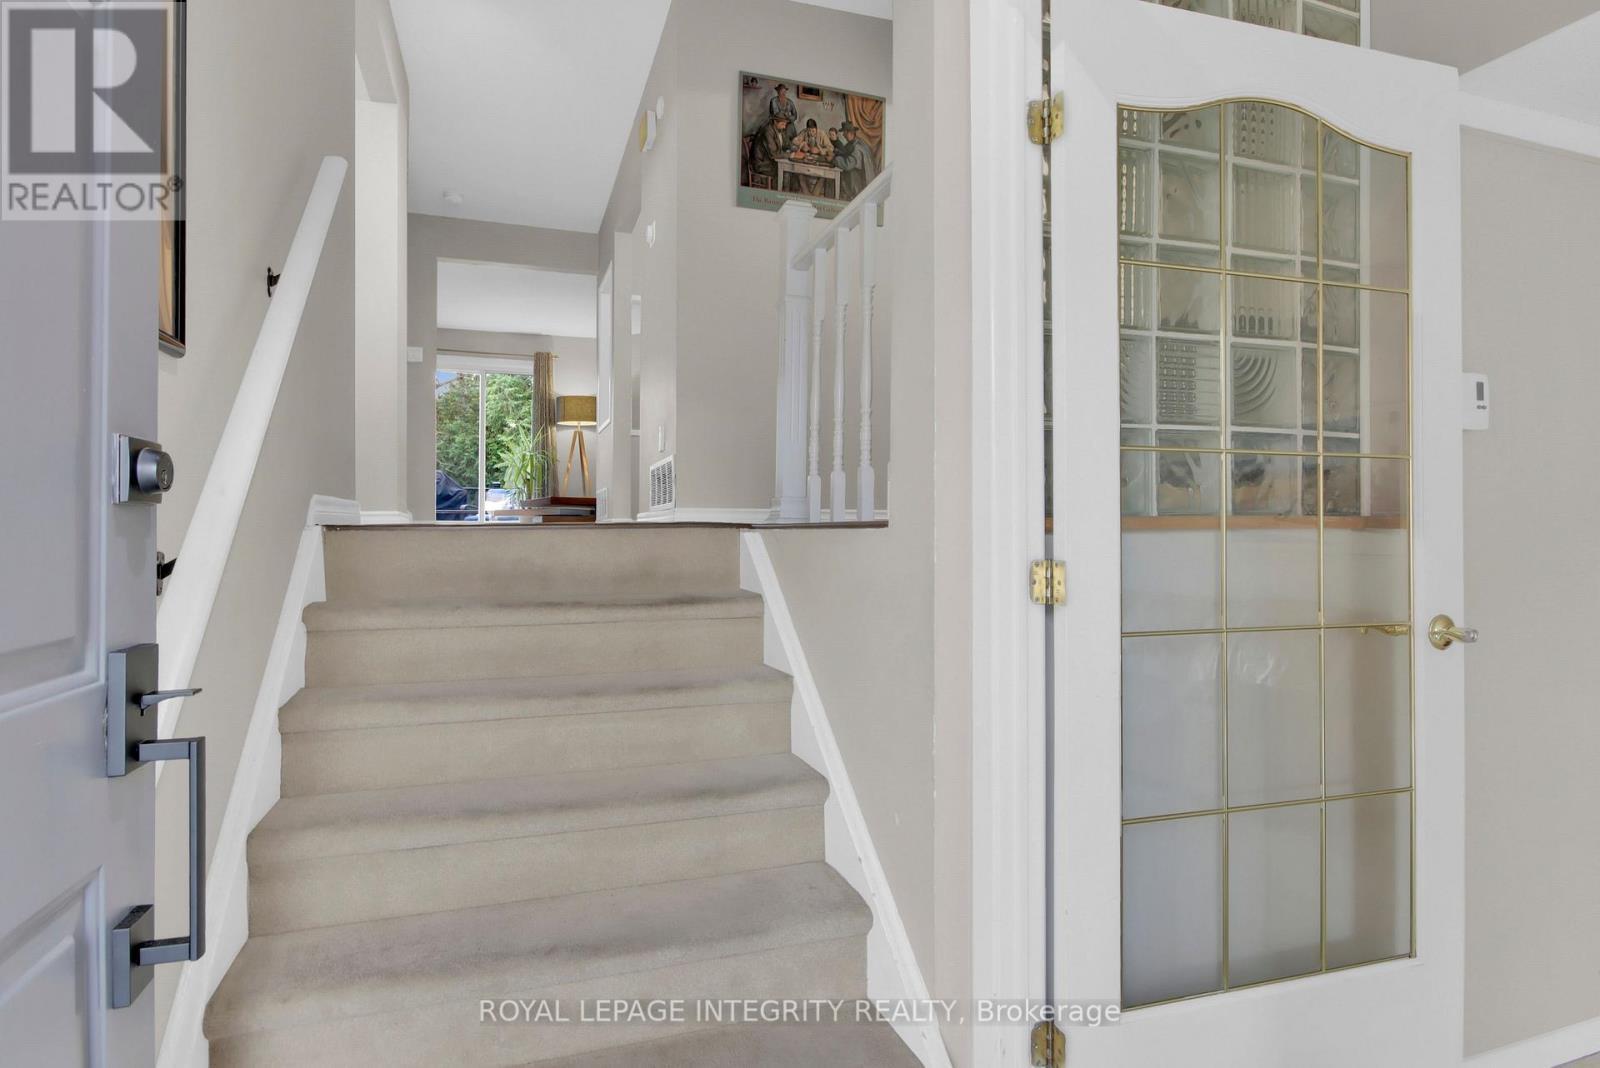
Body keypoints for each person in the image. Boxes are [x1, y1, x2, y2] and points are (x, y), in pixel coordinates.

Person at [832, 120, 877, 200]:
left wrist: (834, 159)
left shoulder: (857, 148)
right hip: (855, 180)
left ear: (849, 133)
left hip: (859, 185)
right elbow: (846, 152)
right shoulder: (854, 143)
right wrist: (838, 152)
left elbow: (848, 164)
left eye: (844, 132)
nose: (843, 135)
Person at [749, 114, 790, 187]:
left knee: (787, 171)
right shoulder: (768, 131)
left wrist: (795, 147)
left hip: (769, 161)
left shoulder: (778, 129)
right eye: (782, 124)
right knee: (784, 171)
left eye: (785, 124)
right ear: (775, 122)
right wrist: (791, 155)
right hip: (761, 164)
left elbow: (786, 144)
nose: (784, 127)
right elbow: (773, 154)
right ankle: (777, 191)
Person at [767, 84, 799, 148]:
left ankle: (791, 146)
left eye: (784, 91)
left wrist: (789, 118)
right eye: (781, 91)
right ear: (778, 91)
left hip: (788, 122)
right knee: (779, 130)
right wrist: (786, 117)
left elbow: (795, 115)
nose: (783, 93)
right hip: (777, 122)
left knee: (791, 129)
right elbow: (776, 114)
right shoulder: (774, 100)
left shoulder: (790, 102)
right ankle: (781, 147)